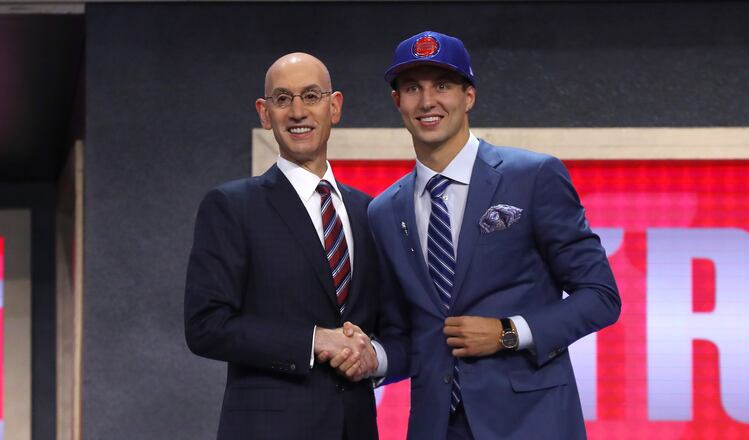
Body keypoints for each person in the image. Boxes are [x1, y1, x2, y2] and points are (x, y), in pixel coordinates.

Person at [335, 31, 621, 439]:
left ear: (468, 96)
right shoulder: (383, 211)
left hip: (532, 423)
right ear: (397, 101)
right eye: (413, 88)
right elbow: (408, 334)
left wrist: (508, 332)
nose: (427, 101)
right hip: (436, 427)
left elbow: (601, 297)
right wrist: (372, 358)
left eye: (443, 86)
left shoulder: (533, 177)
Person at [184, 52, 380, 440]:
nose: (297, 111)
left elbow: (393, 327)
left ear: (334, 106)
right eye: (282, 98)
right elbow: (206, 326)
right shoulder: (232, 206)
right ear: (264, 112)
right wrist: (313, 340)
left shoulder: (370, 211)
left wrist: (375, 356)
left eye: (311, 96)